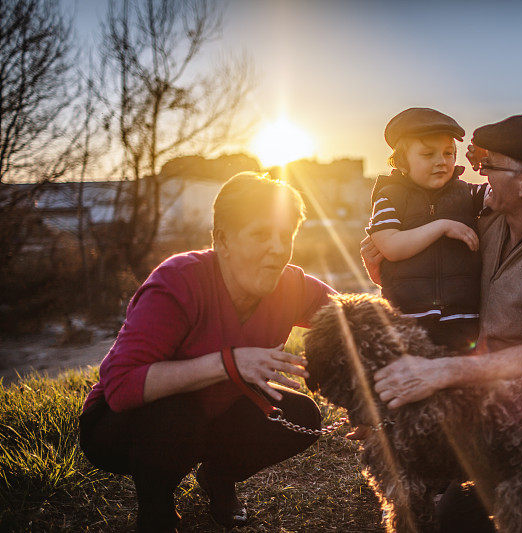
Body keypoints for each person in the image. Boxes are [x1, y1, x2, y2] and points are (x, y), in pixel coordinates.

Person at [361, 113, 522, 532]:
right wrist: (384, 266)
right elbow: (414, 249)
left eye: (491, 165)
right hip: (483, 411)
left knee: (458, 519)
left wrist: (439, 371)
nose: (477, 171)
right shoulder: (489, 213)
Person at [79, 172, 335, 532]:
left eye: (285, 235)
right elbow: (120, 386)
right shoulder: (179, 282)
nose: (278, 248)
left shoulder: (289, 285)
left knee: (303, 417)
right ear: (223, 240)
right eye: (261, 234)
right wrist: (228, 363)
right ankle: (156, 507)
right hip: (124, 425)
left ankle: (218, 477)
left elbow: (352, 317)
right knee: (178, 414)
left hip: (218, 411)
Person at [365, 107, 486, 351]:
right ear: (402, 162)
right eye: (428, 154)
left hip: (464, 325)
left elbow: (507, 195)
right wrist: (441, 227)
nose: (441, 161)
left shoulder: (469, 194)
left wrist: (487, 163)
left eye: (449, 153)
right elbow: (391, 246)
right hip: (406, 326)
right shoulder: (389, 198)